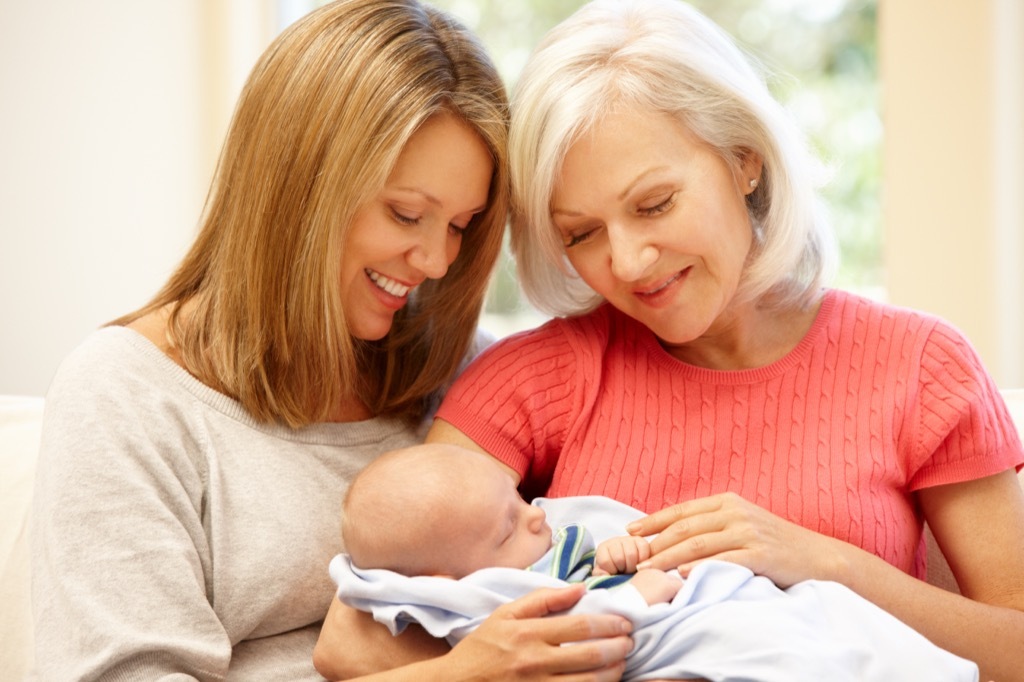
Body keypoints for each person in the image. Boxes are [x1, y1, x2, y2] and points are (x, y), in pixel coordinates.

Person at [314, 0, 1024, 680]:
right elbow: (355, 637)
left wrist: (824, 563)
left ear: (745, 160)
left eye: (654, 204)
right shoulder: (536, 377)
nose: (626, 263)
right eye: (581, 234)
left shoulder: (923, 367)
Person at [29, 1, 639, 680]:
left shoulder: (467, 376)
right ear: (299, 187)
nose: (437, 262)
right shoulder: (127, 397)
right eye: (407, 213)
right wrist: (455, 674)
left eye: (461, 225)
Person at [333, 443, 977, 682]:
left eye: (654, 203)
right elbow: (584, 618)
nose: (536, 515)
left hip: (731, 594)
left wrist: (626, 552)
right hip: (676, 635)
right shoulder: (482, 592)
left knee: (829, 618)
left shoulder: (534, 533)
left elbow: (608, 543)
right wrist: (638, 589)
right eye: (579, 231)